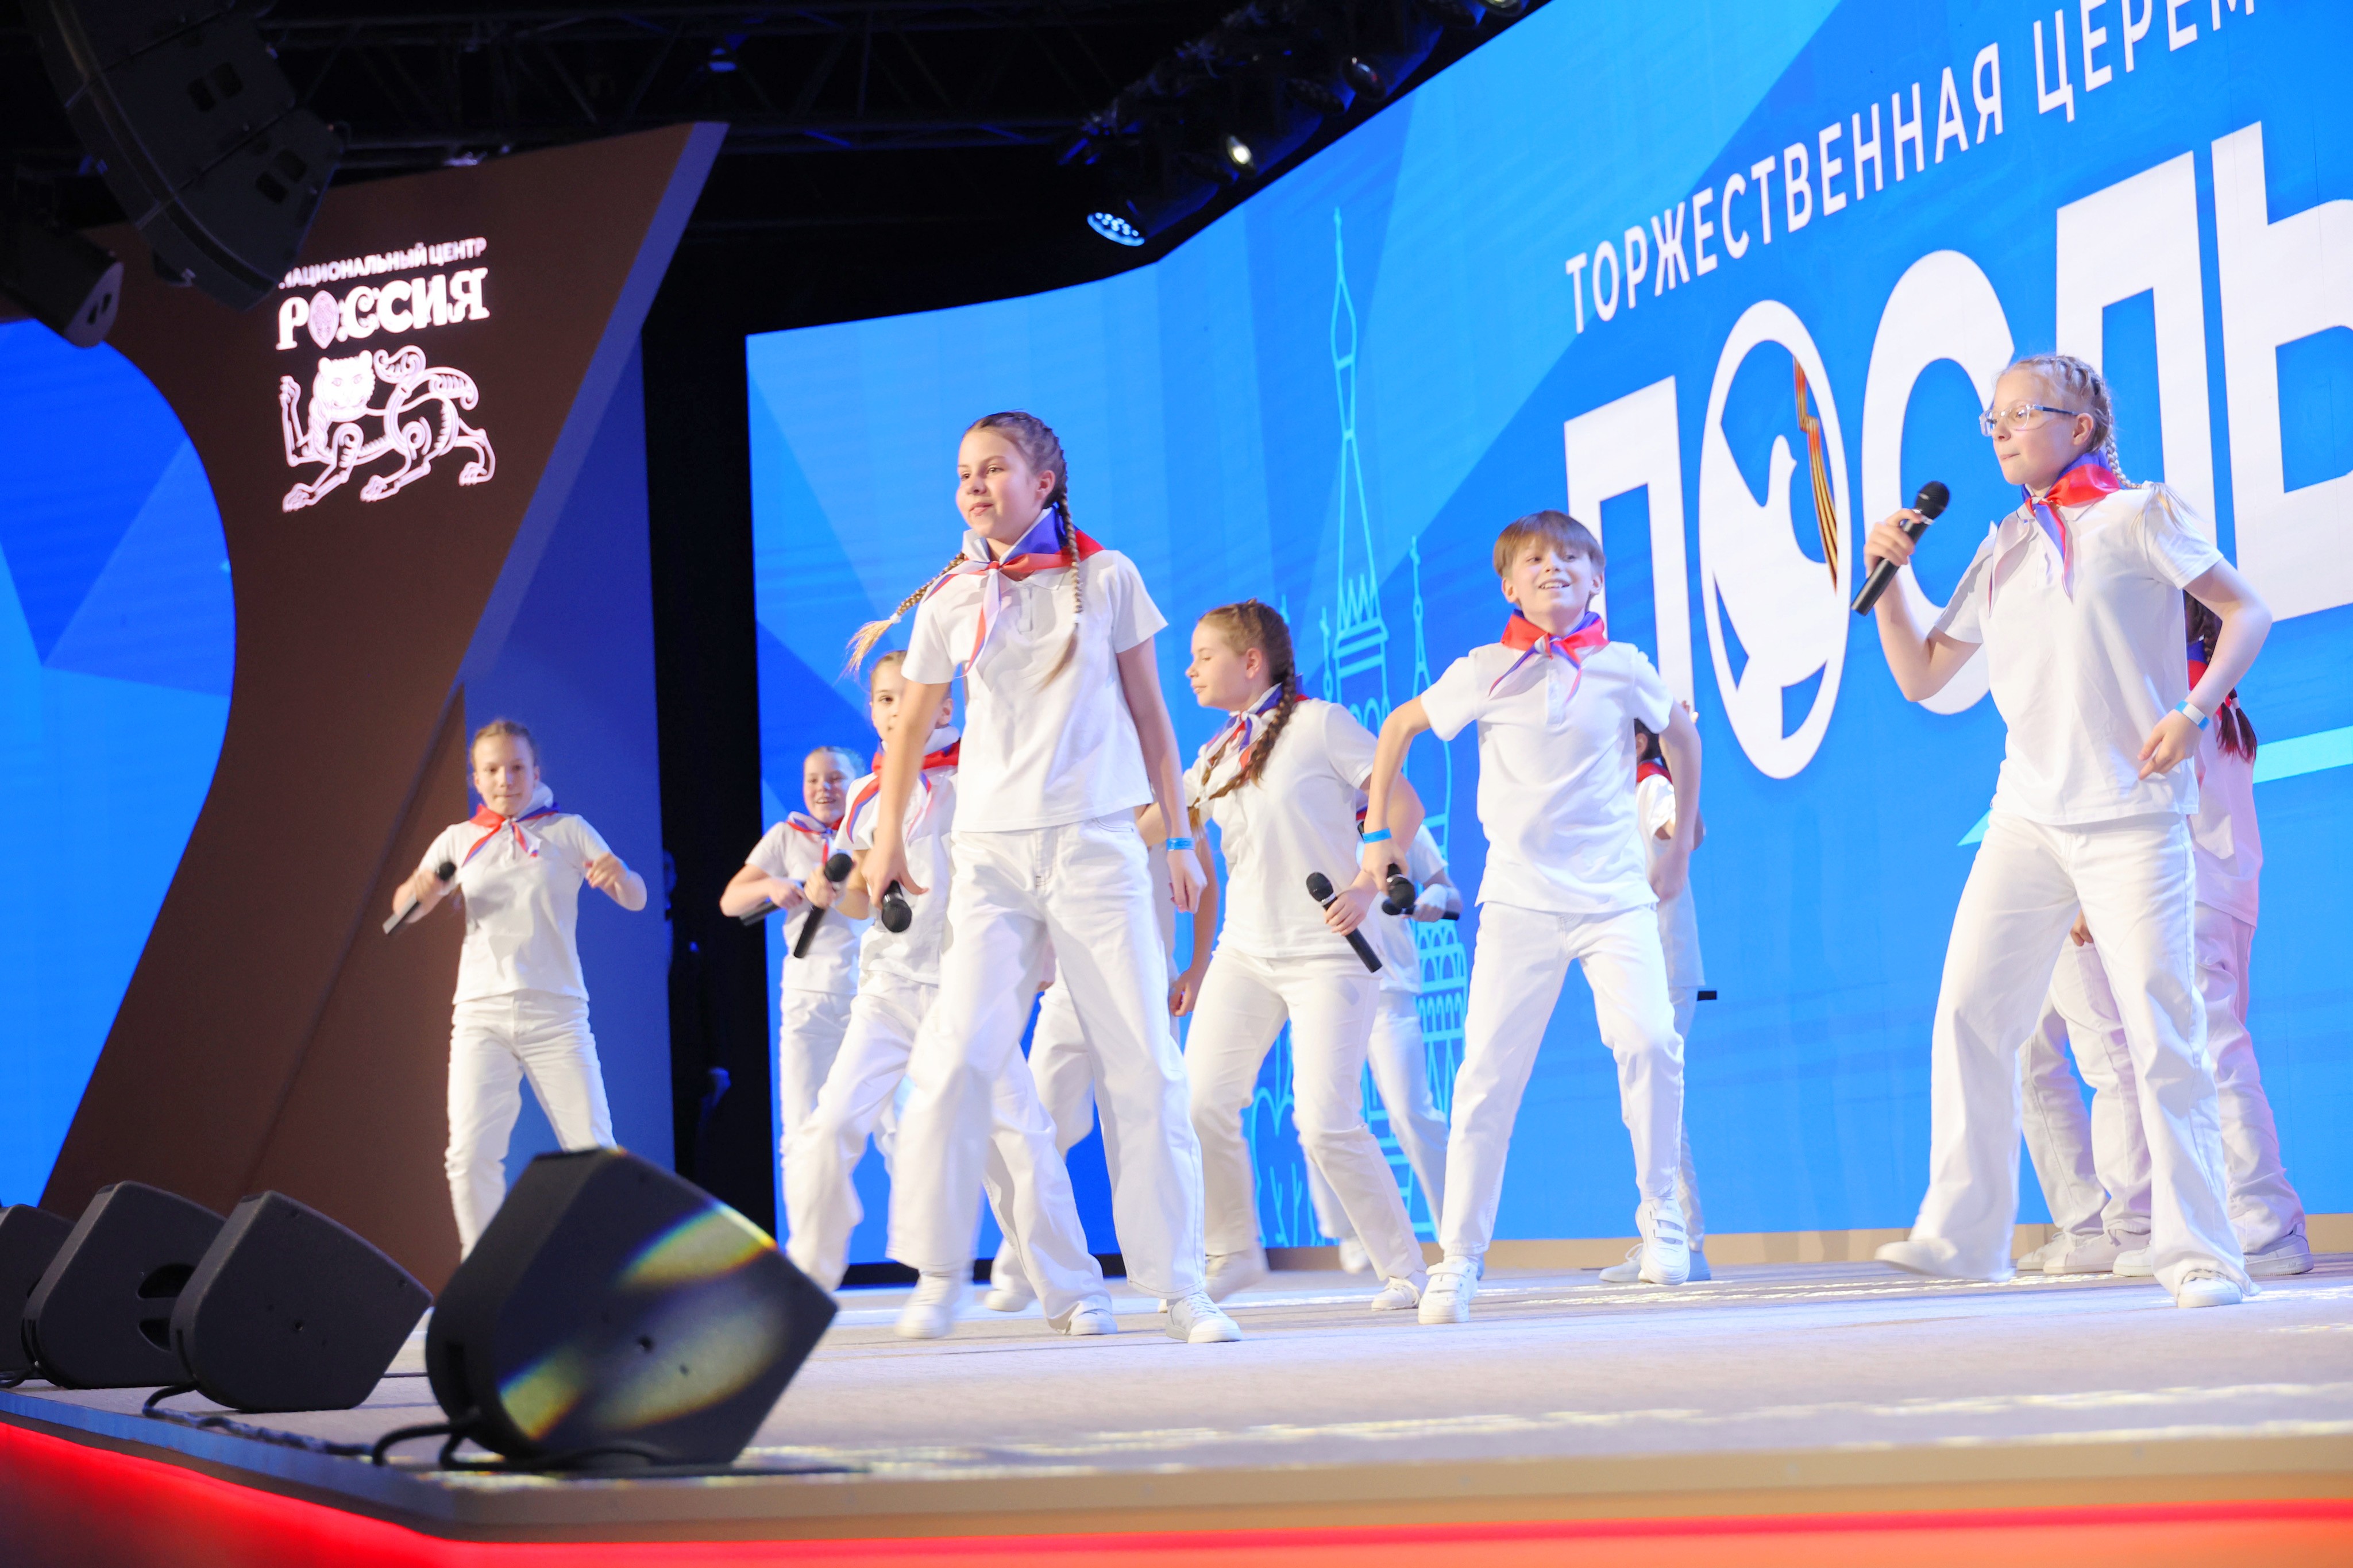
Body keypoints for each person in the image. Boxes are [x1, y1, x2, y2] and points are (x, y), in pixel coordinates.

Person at [1862, 351, 2263, 1307]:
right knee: (1970, 1007)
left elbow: (2245, 611)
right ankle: (1964, 1234)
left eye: (2020, 414)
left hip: (2131, 813)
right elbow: (1921, 674)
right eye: (1992, 420)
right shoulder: (2003, 542)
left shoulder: (2139, 514)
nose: (2000, 432)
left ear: (2080, 426)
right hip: (2027, 814)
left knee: (2164, 1029)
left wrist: (2195, 709)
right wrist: (1892, 581)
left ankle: (2203, 1254)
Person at [851, 410, 1240, 1344]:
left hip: (1095, 844)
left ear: (1044, 482)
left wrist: (1177, 841)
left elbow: (1152, 716)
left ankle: (1180, 1287)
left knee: (1143, 1064)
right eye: (963, 473)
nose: (974, 486)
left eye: (993, 468)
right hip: (989, 855)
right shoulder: (950, 598)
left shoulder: (1107, 577)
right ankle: (968, 1274)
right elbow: (910, 730)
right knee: (960, 1061)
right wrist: (888, 841)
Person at [1360, 511, 1703, 1324]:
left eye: (1573, 558)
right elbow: (1400, 727)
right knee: (1486, 1077)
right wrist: (1376, 834)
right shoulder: (1485, 669)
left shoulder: (1622, 667)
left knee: (1651, 1042)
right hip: (1518, 901)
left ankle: (1662, 1216)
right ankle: (1459, 1259)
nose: (1556, 569)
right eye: (1537, 560)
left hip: (1614, 898)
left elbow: (1683, 739)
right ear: (1510, 585)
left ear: (1597, 580)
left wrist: (1678, 852)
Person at [780, 654, 1116, 1329]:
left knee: (1019, 1142)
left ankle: (1076, 1293)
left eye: (907, 697)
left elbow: (1026, 872)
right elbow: (861, 900)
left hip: (970, 988)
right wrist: (832, 891)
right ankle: (807, 1280)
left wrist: (1042, 949)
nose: (894, 711)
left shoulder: (981, 776)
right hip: (888, 990)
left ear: (942, 706)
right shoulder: (866, 797)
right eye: (882, 700)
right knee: (830, 1126)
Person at [2016, 594, 2309, 1279]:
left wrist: (2093, 892)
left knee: (2211, 1059)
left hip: (2190, 895)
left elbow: (2152, 805)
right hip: (2218, 896)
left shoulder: (2179, 695)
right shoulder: (2211, 694)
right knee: (2205, 1059)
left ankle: (2264, 1222)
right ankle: (2237, 1220)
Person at [1172, 599, 1430, 1310]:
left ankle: (1405, 1269)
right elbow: (1159, 820)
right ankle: (1232, 1250)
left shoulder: (1322, 724)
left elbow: (1403, 805)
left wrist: (1368, 883)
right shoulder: (1216, 753)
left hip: (1328, 954)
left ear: (1251, 661)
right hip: (1245, 953)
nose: (1189, 670)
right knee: (1200, 1101)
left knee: (1324, 1122)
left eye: (1203, 656)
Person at [392, 719, 648, 1255]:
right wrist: (422, 888)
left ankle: (611, 1272)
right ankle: (483, 1272)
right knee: (469, 1155)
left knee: (593, 1150)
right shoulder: (459, 839)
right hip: (480, 1014)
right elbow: (406, 911)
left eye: (516, 768)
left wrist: (620, 876)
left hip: (556, 1013)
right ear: (476, 778)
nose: (505, 780)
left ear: (536, 772)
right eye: (491, 770)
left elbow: (636, 897)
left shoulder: (568, 830)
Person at [1311, 820, 1456, 1276]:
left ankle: (1457, 1238)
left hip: (1391, 990)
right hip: (1328, 986)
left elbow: (1450, 893)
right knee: (1319, 1113)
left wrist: (1437, 897)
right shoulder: (1312, 818)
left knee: (1413, 1114)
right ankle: (1351, 1230)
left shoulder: (1403, 824)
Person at [1600, 717, 1713, 1285]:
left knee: (1656, 1103)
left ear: (1639, 742)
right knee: (1644, 1104)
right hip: (1642, 970)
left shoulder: (1649, 784)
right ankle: (1668, 1237)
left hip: (1662, 967)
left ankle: (1684, 1241)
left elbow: (1684, 830)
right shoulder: (1622, 796)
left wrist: (1680, 755)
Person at [722, 745, 870, 1162]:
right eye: (813, 780)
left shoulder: (871, 834)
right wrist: (772, 885)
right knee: (802, 1127)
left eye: (836, 778)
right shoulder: (785, 836)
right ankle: (809, 1208)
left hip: (870, 992)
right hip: (808, 998)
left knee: (899, 1122)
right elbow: (731, 901)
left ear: (857, 783)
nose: (824, 788)